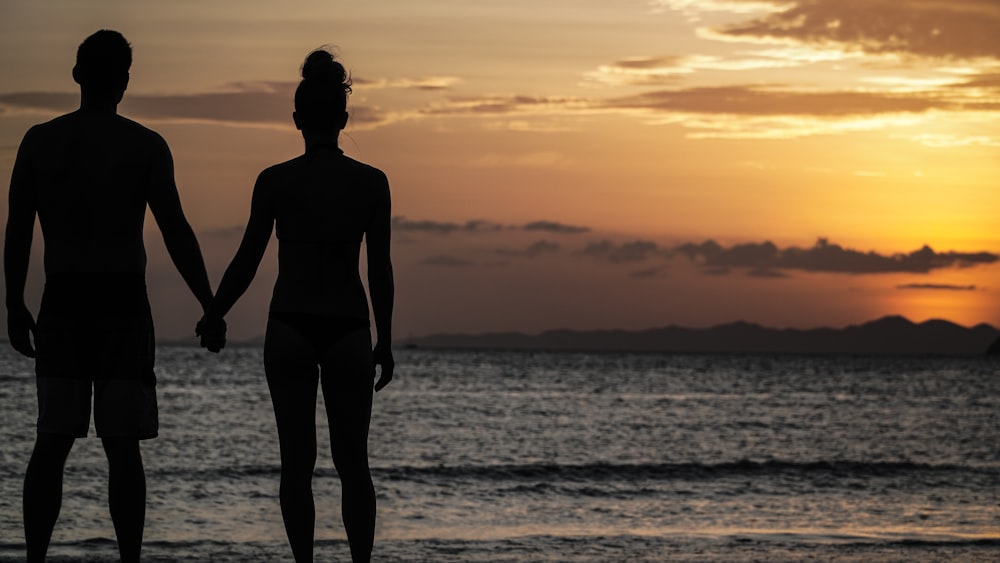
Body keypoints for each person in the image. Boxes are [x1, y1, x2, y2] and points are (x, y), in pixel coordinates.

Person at [4, 30, 216, 562]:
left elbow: (18, 232)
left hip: (65, 302)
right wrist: (209, 304)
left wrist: (13, 302)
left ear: (78, 75)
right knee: (120, 447)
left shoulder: (40, 141)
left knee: (53, 441)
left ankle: (34, 559)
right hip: (121, 305)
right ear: (124, 80)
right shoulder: (144, 145)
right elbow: (176, 231)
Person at [198, 48, 394, 563]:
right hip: (350, 326)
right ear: (345, 118)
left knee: (296, 464)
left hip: (289, 325)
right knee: (354, 464)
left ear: (296, 120)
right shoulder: (372, 183)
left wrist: (215, 310)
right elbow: (380, 270)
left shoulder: (275, 180)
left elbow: (247, 259)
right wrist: (386, 340)